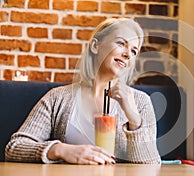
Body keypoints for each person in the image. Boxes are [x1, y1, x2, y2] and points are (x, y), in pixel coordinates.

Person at [5, 18, 161, 165]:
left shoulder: (141, 102)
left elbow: (150, 165)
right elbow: (15, 148)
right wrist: (61, 150)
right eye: (121, 43)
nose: (128, 54)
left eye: (134, 51)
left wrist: (134, 119)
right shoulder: (57, 98)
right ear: (95, 46)